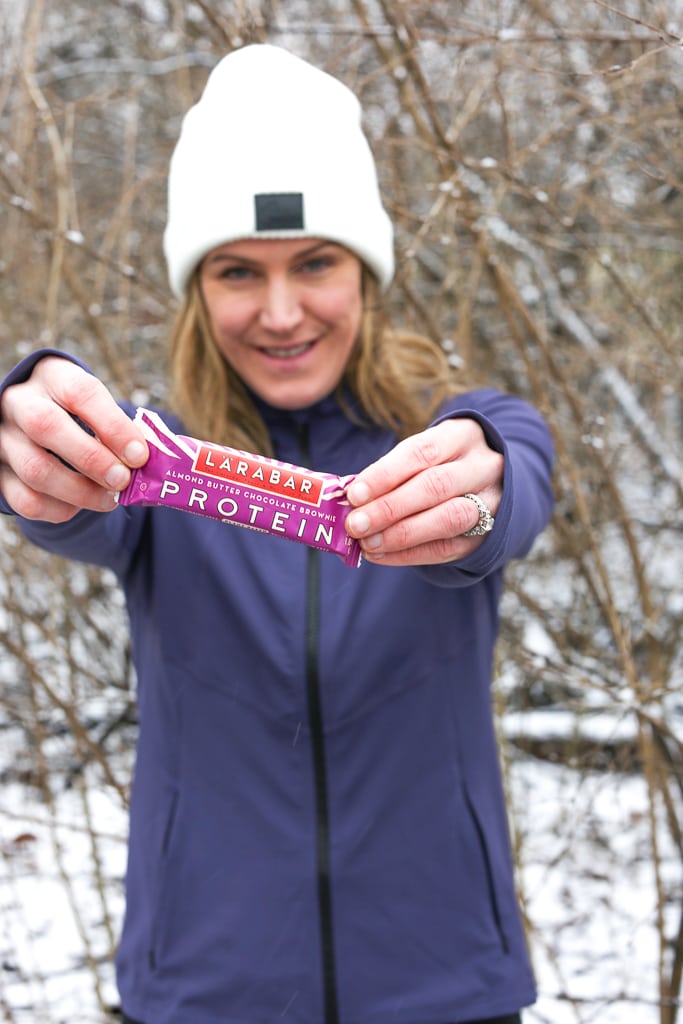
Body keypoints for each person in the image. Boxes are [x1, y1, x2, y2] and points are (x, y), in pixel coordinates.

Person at [0, 44, 554, 1024]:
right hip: (204, 989)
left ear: (365, 273)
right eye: (237, 271)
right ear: (196, 290)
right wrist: (33, 432)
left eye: (315, 261)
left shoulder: (461, 432)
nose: (281, 311)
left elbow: (509, 486)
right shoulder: (148, 470)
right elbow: (71, 491)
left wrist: (481, 489)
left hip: (446, 986)